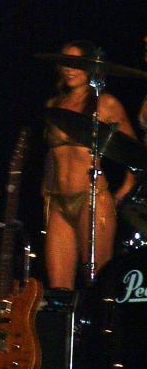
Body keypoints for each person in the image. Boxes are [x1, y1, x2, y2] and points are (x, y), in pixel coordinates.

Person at [44, 40, 136, 289]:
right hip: (58, 200)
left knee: (96, 281)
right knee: (58, 287)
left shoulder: (105, 103)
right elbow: (51, 156)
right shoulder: (54, 105)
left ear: (89, 67)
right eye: (65, 63)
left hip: (91, 197)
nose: (69, 69)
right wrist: (46, 192)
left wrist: (123, 192)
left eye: (75, 63)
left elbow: (135, 155)